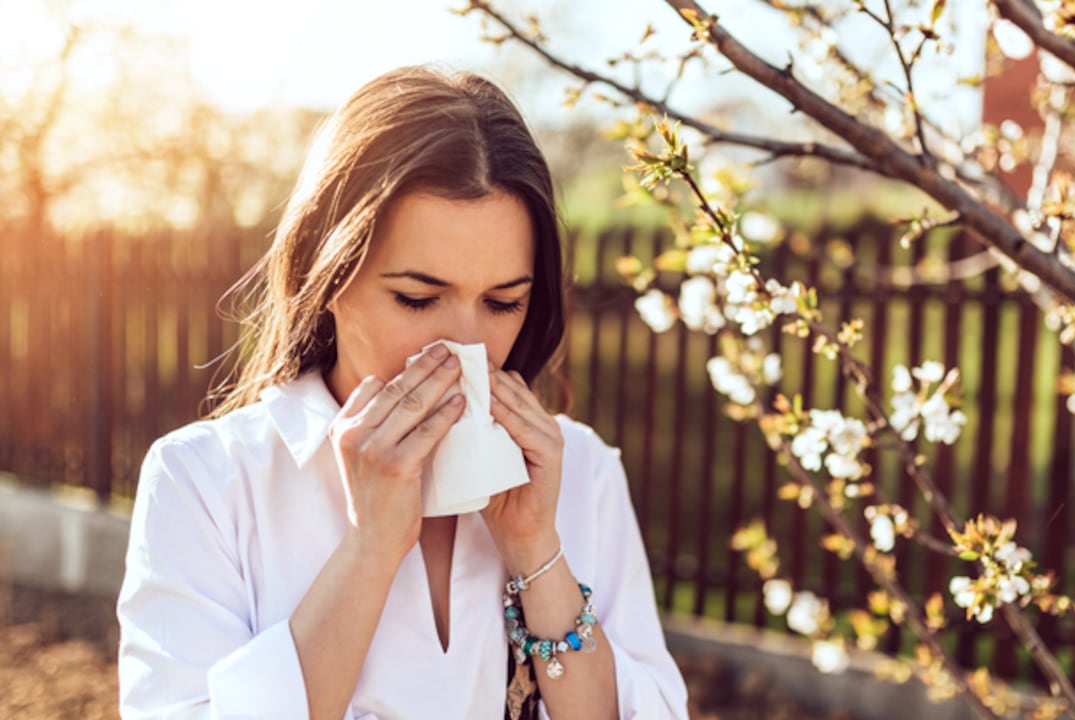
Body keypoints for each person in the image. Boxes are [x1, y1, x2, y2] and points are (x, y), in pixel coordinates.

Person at [116, 65, 689, 720]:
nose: (462, 348)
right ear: (326, 274)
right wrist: (369, 552)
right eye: (418, 299)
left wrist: (537, 551)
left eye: (503, 303)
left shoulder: (578, 472)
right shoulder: (209, 483)